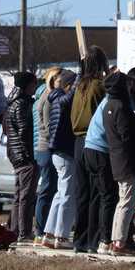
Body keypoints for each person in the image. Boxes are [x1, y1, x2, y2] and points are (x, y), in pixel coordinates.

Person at [106, 70, 135, 257]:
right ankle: (120, 242)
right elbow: (127, 135)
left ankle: (116, 239)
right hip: (128, 160)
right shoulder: (122, 107)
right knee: (127, 203)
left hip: (117, 159)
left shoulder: (109, 105)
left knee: (122, 201)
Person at [72, 47, 110, 253]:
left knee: (82, 194)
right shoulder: (98, 86)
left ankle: (79, 239)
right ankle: (92, 240)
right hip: (93, 140)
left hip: (78, 142)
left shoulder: (79, 86)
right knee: (96, 193)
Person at [41, 70, 78, 249]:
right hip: (65, 151)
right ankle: (61, 236)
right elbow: (70, 97)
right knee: (67, 195)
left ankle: (49, 233)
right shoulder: (61, 99)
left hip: (57, 152)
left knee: (60, 193)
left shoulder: (54, 97)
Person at [2, 71, 38, 242]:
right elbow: (24, 131)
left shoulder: (11, 103)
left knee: (19, 195)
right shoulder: (22, 104)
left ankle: (15, 230)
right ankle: (24, 232)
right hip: (23, 155)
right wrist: (29, 154)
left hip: (15, 153)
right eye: (33, 84)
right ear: (26, 86)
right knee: (26, 195)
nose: (35, 87)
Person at [33, 67, 63, 245]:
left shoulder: (50, 96)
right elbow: (46, 125)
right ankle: (40, 229)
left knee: (50, 189)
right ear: (52, 80)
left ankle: (45, 228)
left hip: (46, 147)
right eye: (59, 80)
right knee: (46, 188)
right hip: (46, 148)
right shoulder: (47, 97)